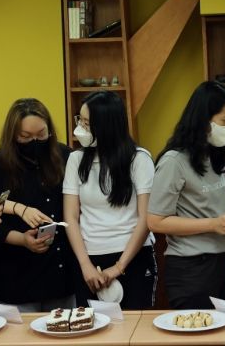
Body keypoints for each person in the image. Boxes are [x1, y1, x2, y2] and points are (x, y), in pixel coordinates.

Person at [148, 81, 225, 309]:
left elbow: (209, 206)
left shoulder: (215, 154)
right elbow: (156, 221)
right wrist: (213, 224)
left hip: (220, 259)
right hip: (190, 267)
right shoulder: (174, 161)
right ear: (203, 120)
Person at [64, 91, 157, 309]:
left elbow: (146, 218)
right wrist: (85, 265)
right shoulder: (76, 159)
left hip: (133, 256)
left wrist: (119, 267)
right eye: (80, 120)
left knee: (136, 326)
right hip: (89, 258)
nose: (80, 129)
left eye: (87, 124)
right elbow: (70, 216)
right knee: (91, 326)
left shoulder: (139, 159)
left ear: (107, 126)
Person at [0, 98, 75, 311]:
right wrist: (22, 239)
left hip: (61, 275)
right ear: (13, 135)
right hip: (15, 279)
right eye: (25, 137)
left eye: (41, 134)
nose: (35, 141)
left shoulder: (66, 156)